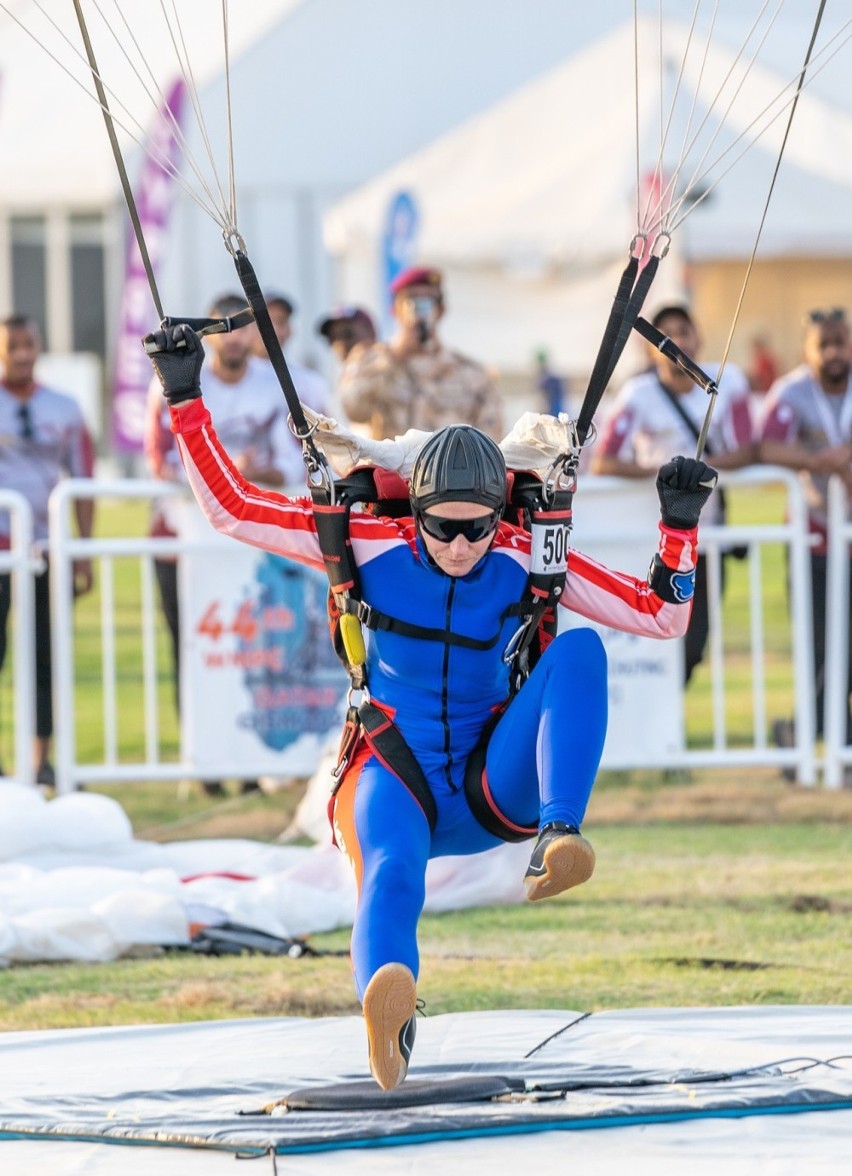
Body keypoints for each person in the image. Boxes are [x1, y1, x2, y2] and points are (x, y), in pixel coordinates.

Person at [145, 322, 717, 1090]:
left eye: (477, 527)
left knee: (580, 650)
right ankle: (389, 1007)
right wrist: (185, 397)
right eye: (444, 528)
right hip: (392, 767)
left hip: (490, 782)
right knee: (390, 874)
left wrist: (678, 530)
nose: (461, 545)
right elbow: (233, 509)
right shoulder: (362, 538)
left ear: (496, 515)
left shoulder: (521, 551)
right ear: (415, 510)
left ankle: (561, 836)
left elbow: (661, 615)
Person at [145, 293, 305, 796]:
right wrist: (230, 470)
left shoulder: (275, 385)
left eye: (243, 326)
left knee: (255, 649)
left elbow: (292, 462)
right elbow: (162, 462)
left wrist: (238, 474)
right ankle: (204, 757)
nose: (234, 336)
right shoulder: (177, 382)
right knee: (194, 647)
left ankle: (252, 759)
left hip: (251, 538)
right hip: (192, 537)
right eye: (225, 327)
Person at [592, 302, 755, 684]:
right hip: (658, 538)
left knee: (695, 640)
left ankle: (670, 729)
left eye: (684, 330)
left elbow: (749, 449)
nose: (677, 341)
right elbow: (605, 461)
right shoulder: (637, 394)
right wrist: (668, 475)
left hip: (707, 537)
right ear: (650, 349)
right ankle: (659, 730)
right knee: (656, 638)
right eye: (665, 336)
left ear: (698, 335)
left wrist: (701, 474)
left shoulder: (729, 381)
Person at [0, 314, 95, 786]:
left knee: (44, 658)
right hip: (0, 551)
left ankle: (42, 759)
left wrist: (83, 553)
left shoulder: (65, 408)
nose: (20, 353)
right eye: (11, 345)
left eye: (28, 344)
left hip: (44, 551)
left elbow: (81, 480)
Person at [758, 306, 852, 751]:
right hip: (813, 536)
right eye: (824, 344)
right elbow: (763, 445)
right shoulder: (790, 391)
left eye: (841, 341)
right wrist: (817, 459)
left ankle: (815, 738)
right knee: (820, 645)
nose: (834, 352)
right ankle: (809, 738)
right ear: (807, 350)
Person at [338, 265, 503, 441]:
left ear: (440, 310)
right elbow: (353, 410)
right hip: (388, 468)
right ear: (396, 309)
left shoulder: (471, 374)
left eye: (428, 302)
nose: (420, 312)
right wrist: (394, 358)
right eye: (411, 302)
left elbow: (490, 440)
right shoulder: (368, 361)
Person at [251, 291, 330, 415]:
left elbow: (328, 429)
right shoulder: (229, 377)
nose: (272, 329)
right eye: (264, 322)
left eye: (280, 322)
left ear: (289, 331)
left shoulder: (310, 381)